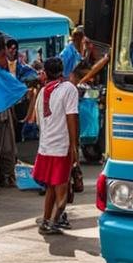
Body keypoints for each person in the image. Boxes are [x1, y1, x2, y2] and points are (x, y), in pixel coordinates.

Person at [33, 57, 79, 235]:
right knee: (62, 193)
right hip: (61, 146)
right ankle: (54, 221)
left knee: (51, 188)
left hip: (45, 147)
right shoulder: (68, 89)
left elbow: (38, 121)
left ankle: (46, 219)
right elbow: (71, 117)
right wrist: (74, 146)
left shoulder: (43, 91)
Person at [0, 35, 28, 195]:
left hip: (1, 109)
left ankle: (5, 177)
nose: (5, 59)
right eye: (3, 56)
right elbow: (10, 82)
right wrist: (25, 87)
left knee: (8, 146)